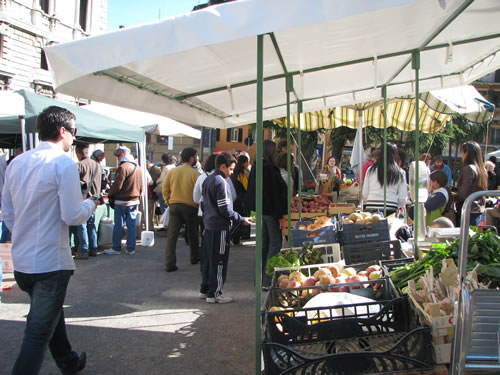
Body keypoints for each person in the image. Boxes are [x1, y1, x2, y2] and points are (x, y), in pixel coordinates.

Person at [2, 106, 100, 374]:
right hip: (49, 264)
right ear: (62, 131)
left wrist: (26, 233)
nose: (75, 138)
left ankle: (68, 362)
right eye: (74, 132)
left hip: (23, 262)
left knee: (48, 316)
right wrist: (91, 203)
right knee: (37, 332)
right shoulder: (63, 164)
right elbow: (72, 215)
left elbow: (8, 213)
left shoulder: (18, 162)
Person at [200, 152, 252, 303]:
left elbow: (203, 205)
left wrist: (205, 223)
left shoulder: (208, 179)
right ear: (223, 166)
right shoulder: (220, 181)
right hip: (219, 227)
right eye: (230, 169)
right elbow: (225, 210)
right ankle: (215, 293)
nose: (231, 173)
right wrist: (241, 219)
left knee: (209, 260)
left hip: (209, 225)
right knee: (219, 260)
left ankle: (205, 289)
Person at [245, 140, 287, 287]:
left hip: (263, 209)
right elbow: (273, 194)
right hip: (271, 210)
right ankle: (268, 279)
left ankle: (262, 277)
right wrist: (281, 213)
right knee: (275, 243)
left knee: (266, 242)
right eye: (275, 150)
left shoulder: (258, 165)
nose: (277, 153)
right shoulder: (268, 168)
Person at [163, 147, 200, 272]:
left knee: (172, 235)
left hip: (174, 205)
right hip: (190, 206)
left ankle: (169, 263)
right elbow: (199, 193)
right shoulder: (196, 174)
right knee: (193, 233)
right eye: (196, 156)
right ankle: (194, 257)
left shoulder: (172, 172)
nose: (196, 159)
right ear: (191, 158)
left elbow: (165, 189)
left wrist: (168, 201)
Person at [104, 145, 143, 255]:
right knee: (131, 225)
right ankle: (131, 248)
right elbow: (141, 186)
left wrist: (110, 194)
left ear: (121, 154)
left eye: (117, 156)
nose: (117, 158)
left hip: (122, 201)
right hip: (134, 200)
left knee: (119, 225)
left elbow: (118, 186)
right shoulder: (138, 167)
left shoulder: (123, 167)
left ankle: (116, 247)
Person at [72, 143, 106, 259]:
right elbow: (105, 182)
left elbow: (73, 183)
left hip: (83, 199)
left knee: (82, 225)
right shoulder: (98, 166)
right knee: (91, 225)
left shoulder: (79, 166)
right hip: (95, 200)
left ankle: (83, 250)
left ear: (78, 154)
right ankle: (93, 249)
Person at [361, 142, 407, 215]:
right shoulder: (400, 173)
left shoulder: (370, 170)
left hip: (371, 207)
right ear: (395, 155)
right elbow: (403, 198)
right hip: (391, 208)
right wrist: (396, 203)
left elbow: (365, 194)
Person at [455, 141, 487, 226]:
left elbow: (463, 193)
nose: (461, 155)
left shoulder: (469, 169)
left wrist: (452, 195)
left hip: (467, 210)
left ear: (467, 153)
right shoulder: (482, 169)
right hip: (477, 209)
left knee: (463, 237)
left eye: (462, 152)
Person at [229, 154, 251, 244]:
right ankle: (234, 237)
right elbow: (246, 187)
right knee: (241, 219)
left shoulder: (234, 173)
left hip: (235, 199)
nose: (248, 163)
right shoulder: (243, 174)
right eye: (247, 162)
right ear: (244, 163)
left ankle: (235, 239)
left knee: (236, 219)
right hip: (242, 200)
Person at [146, 160, 162, 229]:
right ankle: (149, 226)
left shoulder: (156, 169)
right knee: (149, 211)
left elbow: (154, 181)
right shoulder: (154, 169)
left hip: (152, 193)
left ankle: (150, 227)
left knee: (150, 211)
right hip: (149, 193)